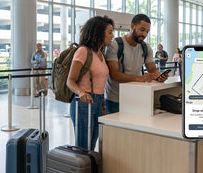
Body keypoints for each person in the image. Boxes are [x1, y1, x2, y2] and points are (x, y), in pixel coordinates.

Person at [66, 15, 114, 150]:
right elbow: (70, 81)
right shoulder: (83, 51)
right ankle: (82, 170)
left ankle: (89, 168)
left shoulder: (100, 53)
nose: (112, 36)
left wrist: (103, 105)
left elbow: (101, 82)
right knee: (83, 144)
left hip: (98, 101)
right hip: (83, 102)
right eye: (109, 32)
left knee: (92, 142)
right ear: (98, 33)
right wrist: (81, 92)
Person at [104, 14, 167, 114]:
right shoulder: (115, 45)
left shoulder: (146, 47)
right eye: (142, 30)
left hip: (135, 96)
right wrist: (140, 78)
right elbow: (114, 75)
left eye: (147, 31)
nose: (144, 34)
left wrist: (159, 76)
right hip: (115, 98)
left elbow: (153, 70)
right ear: (132, 26)